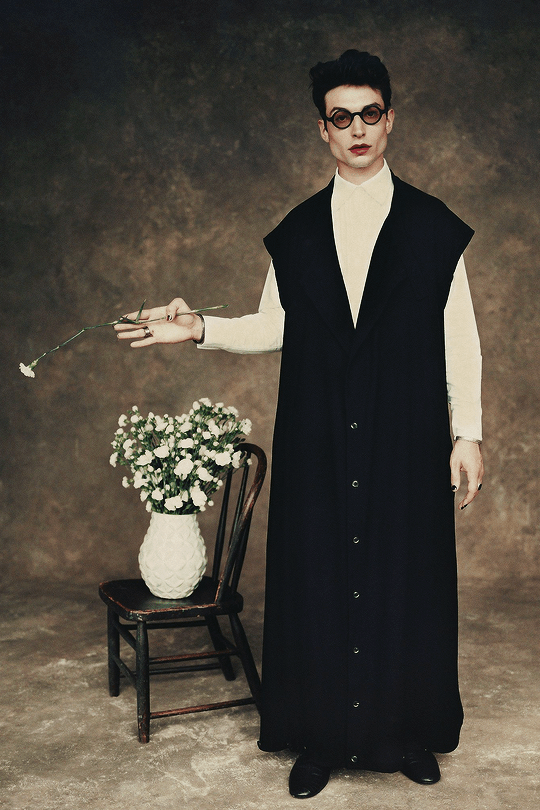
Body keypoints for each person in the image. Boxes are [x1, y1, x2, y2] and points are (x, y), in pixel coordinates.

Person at [115, 50, 484, 799]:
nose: (358, 129)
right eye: (341, 117)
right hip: (318, 435)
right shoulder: (299, 231)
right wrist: (199, 328)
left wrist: (468, 431)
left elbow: (461, 336)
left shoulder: (432, 225)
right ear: (323, 130)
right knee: (317, 580)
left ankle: (407, 733)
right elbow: (272, 325)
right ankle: (317, 738)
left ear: (390, 119)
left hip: (406, 435)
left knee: (405, 579)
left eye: (370, 113)